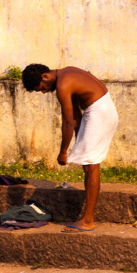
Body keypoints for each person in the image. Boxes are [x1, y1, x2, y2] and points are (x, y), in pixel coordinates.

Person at [21, 63, 118, 232]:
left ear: (44, 76)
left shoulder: (62, 85)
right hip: (101, 110)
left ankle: (88, 220)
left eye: (41, 88)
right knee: (89, 165)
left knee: (91, 166)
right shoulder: (68, 72)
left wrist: (63, 151)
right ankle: (88, 218)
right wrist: (78, 139)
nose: (44, 92)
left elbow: (67, 122)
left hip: (99, 113)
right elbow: (75, 117)